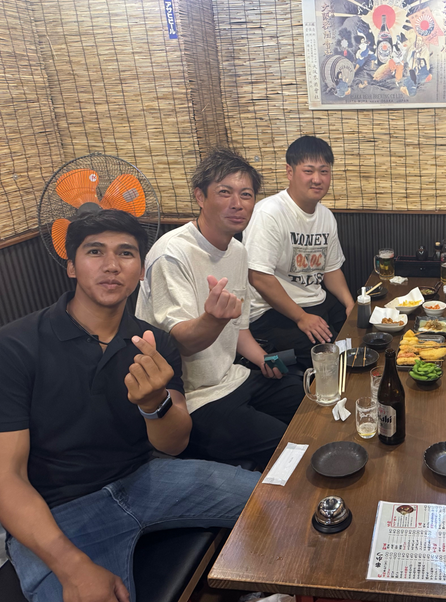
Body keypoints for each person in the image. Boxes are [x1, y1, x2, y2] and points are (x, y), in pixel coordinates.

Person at [0, 211, 260, 601]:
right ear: (71, 266)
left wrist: (155, 403)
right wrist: (72, 567)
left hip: (146, 479)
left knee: (276, 503)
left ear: (140, 270)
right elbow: (7, 478)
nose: (111, 265)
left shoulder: (154, 342)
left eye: (125, 253)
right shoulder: (16, 346)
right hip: (61, 510)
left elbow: (174, 443)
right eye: (95, 252)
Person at [136, 148, 303, 470]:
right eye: (225, 192)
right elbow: (180, 342)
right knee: (286, 448)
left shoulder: (238, 252)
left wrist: (263, 359)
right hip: (193, 397)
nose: (237, 203)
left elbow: (239, 328)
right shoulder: (172, 253)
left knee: (305, 398)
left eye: (246, 194)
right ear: (200, 196)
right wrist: (212, 319)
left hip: (232, 377)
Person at [246, 136, 355, 370]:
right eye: (309, 171)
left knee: (358, 338)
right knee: (330, 360)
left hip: (316, 301)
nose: (317, 179)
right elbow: (258, 277)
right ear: (290, 171)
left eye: (324, 171)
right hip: (272, 312)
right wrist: (301, 317)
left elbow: (331, 269)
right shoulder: (269, 213)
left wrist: (350, 304)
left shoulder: (325, 216)